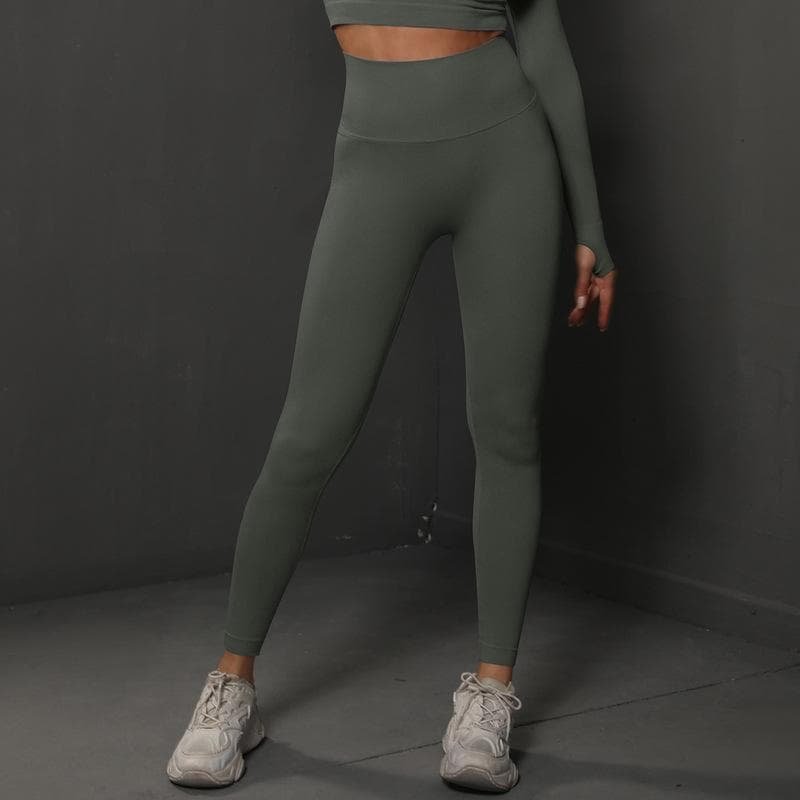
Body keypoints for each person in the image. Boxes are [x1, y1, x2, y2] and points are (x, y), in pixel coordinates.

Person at [166, 0, 618, 792]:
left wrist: (592, 225)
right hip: (375, 158)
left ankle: (490, 696)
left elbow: (542, 36)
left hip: (504, 155)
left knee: (506, 428)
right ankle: (231, 685)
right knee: (307, 436)